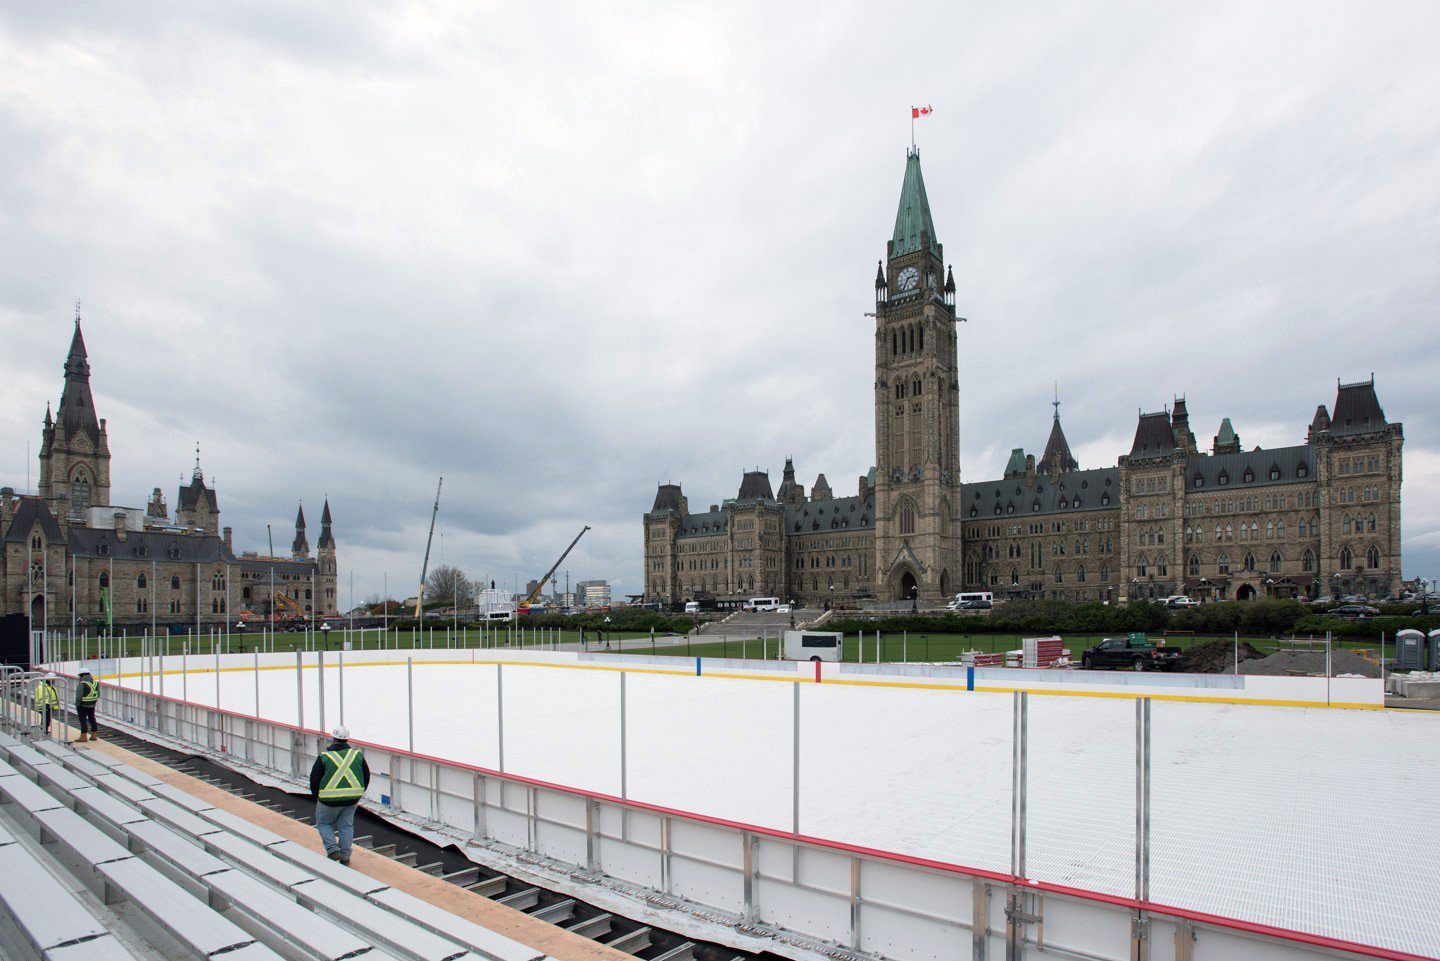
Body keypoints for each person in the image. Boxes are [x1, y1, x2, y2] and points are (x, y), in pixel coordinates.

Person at [308, 726, 369, 865]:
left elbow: (315, 778)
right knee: (346, 826)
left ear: (333, 739)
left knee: (324, 823)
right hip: (351, 799)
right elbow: (366, 776)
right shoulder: (357, 755)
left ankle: (332, 850)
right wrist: (358, 793)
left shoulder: (325, 757)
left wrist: (316, 795)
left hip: (328, 800)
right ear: (347, 740)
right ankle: (346, 856)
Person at [76, 667, 100, 742]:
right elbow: (98, 694)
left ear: (81, 675)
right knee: (92, 718)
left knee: (83, 720)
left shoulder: (82, 683)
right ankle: (94, 735)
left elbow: (79, 695)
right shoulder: (95, 683)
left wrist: (77, 704)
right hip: (92, 704)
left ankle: (83, 736)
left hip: (83, 705)